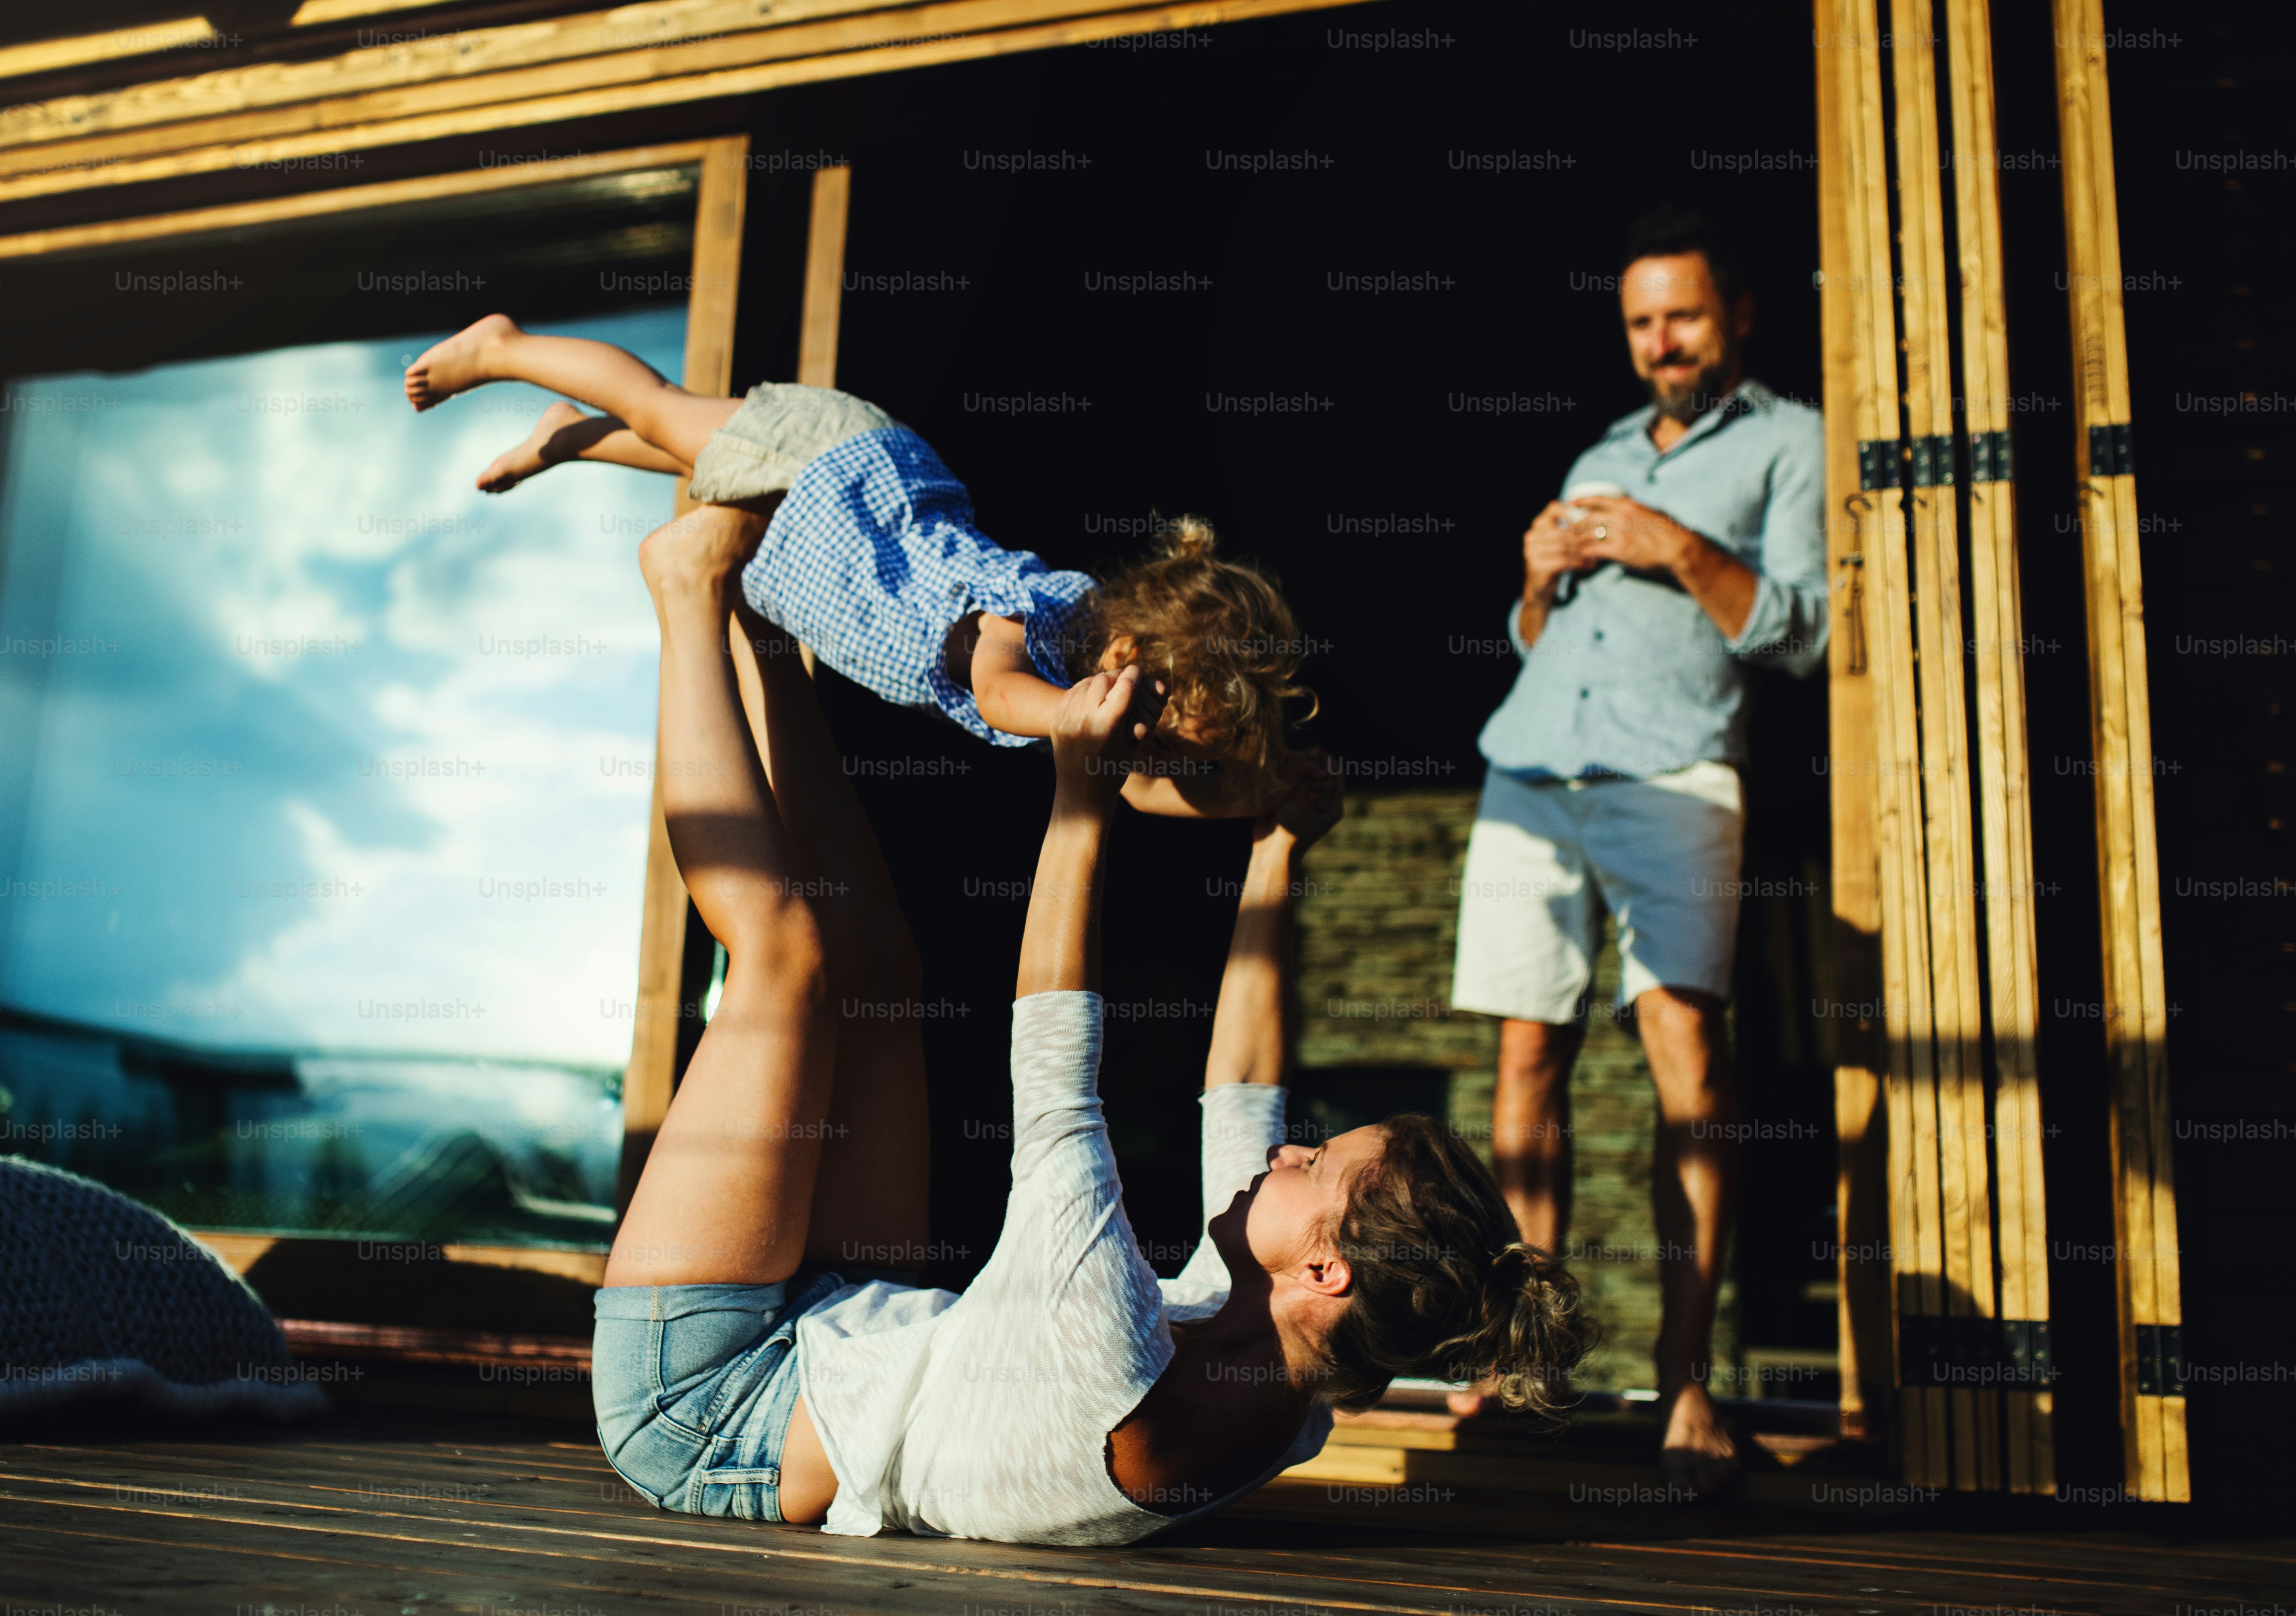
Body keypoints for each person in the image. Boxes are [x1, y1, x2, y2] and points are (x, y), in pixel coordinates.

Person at [593, 502, 1593, 1542]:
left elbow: (1054, 1060)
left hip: (709, 1406)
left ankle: (686, 587)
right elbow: (1244, 1096)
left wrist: (1080, 791)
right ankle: (762, 629)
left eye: (1314, 1162)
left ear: (1325, 1268)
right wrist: (1274, 853)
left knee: (786, 960)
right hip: (862, 1339)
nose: (1290, 1146)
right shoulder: (1290, 1387)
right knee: (885, 974)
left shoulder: (1106, 1343)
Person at [1448, 205, 1827, 1492]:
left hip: (1674, 768)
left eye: (1682, 317)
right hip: (1529, 763)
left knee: (1687, 1058)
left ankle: (1686, 1386)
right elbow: (1529, 642)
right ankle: (1522, 1368)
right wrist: (1534, 579)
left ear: (1735, 318)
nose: (1661, 343)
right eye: (1640, 323)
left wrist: (1678, 547)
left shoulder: (1792, 442)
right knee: (1519, 1062)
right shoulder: (1601, 447)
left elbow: (1799, 630)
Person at [405, 316, 1309, 816]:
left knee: (699, 455)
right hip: (841, 471)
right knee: (659, 405)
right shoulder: (1041, 624)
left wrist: (1258, 794)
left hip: (821, 518)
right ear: (1132, 656)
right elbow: (994, 692)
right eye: (1156, 721)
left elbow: (1151, 795)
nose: (1141, 744)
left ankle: (568, 436)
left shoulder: (1105, 683)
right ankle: (504, 349)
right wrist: (1072, 720)